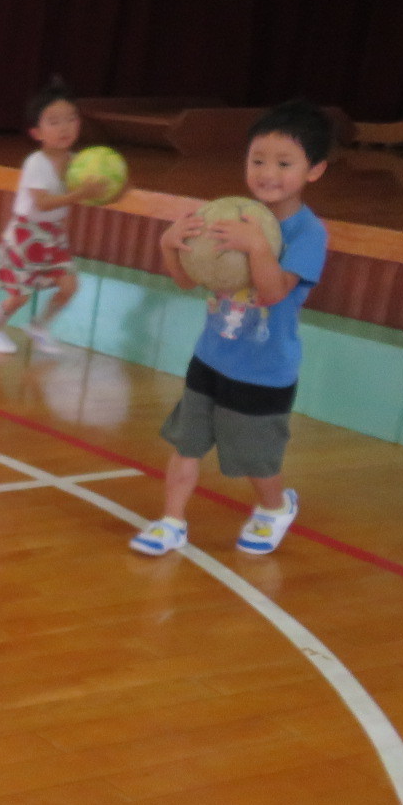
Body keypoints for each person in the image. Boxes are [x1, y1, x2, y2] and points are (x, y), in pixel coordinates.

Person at [129, 100, 331, 558]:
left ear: (314, 170)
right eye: (257, 160)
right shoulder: (227, 215)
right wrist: (169, 246)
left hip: (263, 372)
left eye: (284, 163)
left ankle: (275, 507)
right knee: (186, 445)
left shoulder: (308, 234)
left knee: (255, 460)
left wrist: (258, 248)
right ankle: (172, 521)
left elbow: (274, 293)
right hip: (210, 357)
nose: (267, 173)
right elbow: (188, 281)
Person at [0, 79, 105, 355]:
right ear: (36, 132)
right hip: (26, 234)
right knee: (19, 297)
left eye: (71, 119)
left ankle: (39, 326)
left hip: (53, 234)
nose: (65, 127)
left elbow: (87, 192)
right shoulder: (36, 163)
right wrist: (80, 193)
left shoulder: (77, 162)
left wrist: (107, 188)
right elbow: (43, 203)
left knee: (69, 285)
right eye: (54, 121)